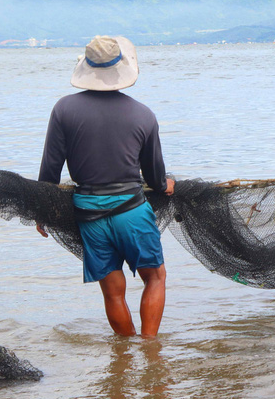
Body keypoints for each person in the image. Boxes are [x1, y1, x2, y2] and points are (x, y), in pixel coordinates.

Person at [37, 35, 174, 338]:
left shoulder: (63, 110)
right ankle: (150, 349)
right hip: (132, 213)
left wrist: (41, 211)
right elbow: (154, 178)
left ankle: (125, 352)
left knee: (113, 293)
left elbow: (50, 169)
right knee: (156, 278)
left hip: (89, 214)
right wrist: (166, 184)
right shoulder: (144, 115)